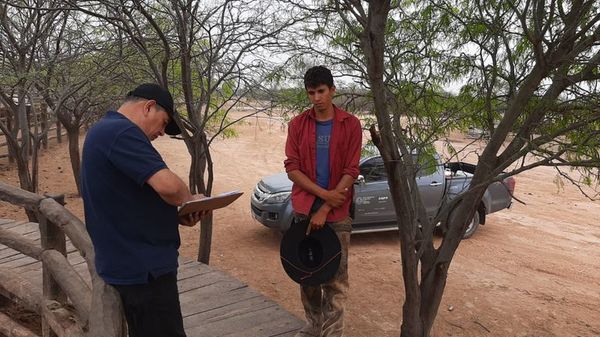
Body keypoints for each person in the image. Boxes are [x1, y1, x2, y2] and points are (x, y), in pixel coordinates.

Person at [81, 83, 203, 337]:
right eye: (163, 122)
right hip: (143, 270)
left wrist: (177, 215)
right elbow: (168, 186)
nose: (161, 133)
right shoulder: (121, 132)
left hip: (130, 261)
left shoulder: (106, 131)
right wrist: (189, 198)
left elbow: (127, 199)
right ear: (148, 107)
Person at [284, 66, 362, 337]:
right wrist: (323, 195)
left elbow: (351, 170)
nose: (316, 98)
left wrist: (328, 204)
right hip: (305, 210)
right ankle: (313, 327)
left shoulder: (350, 124)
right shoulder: (297, 124)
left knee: (335, 282)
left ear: (332, 90)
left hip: (337, 214)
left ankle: (331, 334)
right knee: (306, 276)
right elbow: (292, 168)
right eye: (311, 93)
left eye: (321, 91)